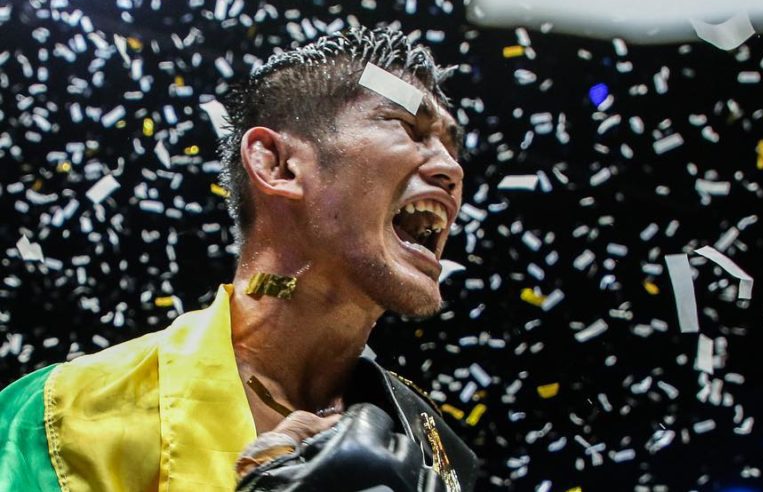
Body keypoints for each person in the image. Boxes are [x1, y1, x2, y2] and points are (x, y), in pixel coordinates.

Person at [0, 26, 479, 491]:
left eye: (451, 146)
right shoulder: (60, 416)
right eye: (409, 128)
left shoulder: (432, 452)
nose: (451, 168)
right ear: (277, 164)